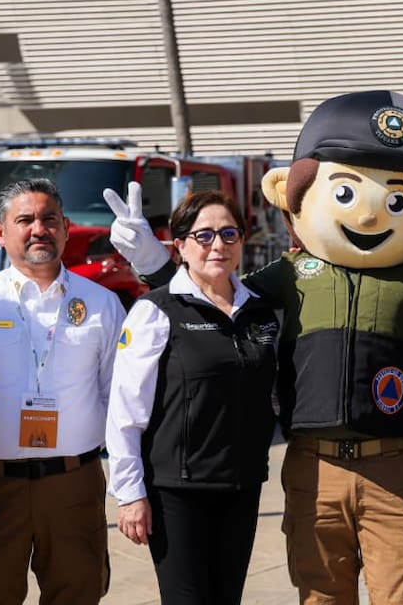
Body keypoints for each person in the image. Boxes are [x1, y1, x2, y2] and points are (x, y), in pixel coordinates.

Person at [106, 90, 403, 604]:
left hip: (392, 463)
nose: (368, 216)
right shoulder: (291, 273)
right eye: (344, 192)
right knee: (319, 595)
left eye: (394, 200)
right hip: (312, 466)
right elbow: (208, 294)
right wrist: (155, 265)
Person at [0, 178, 126, 605]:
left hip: (74, 484)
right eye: (25, 219)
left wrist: (129, 486)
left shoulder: (102, 304)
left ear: (66, 228)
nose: (39, 229)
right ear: (0, 232)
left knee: (77, 594)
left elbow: (119, 400)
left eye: (49, 219)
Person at [105, 191, 278, 604]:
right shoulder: (156, 310)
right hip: (178, 493)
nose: (217, 245)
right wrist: (130, 494)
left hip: (242, 486)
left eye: (228, 234)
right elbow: (126, 410)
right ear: (179, 245)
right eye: (204, 236)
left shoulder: (260, 312)